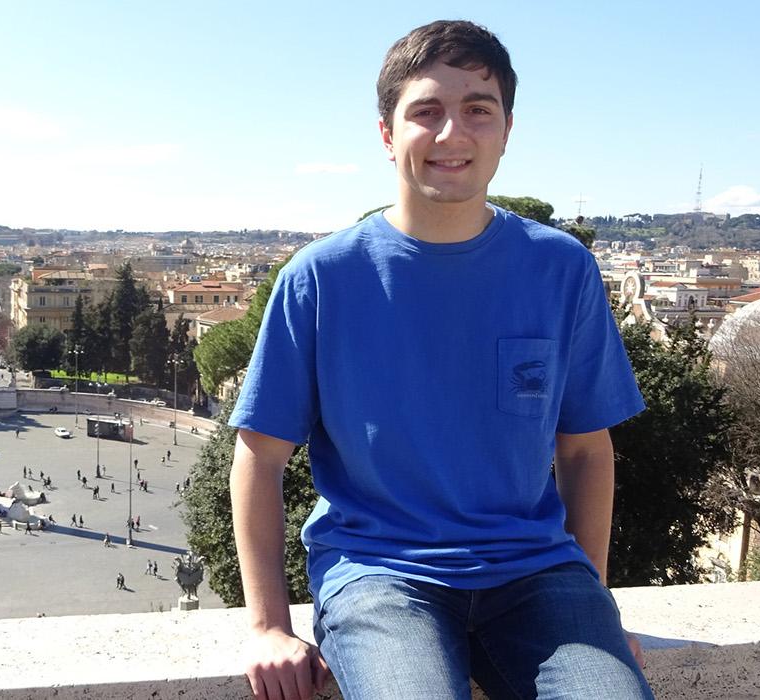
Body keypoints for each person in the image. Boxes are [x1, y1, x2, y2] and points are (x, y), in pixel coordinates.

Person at [229, 21, 650, 700]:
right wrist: (267, 626)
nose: (452, 133)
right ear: (388, 135)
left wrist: (594, 604)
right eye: (426, 111)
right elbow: (260, 456)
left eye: (477, 110)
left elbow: (585, 452)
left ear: (506, 130)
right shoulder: (320, 278)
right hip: (378, 576)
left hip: (537, 574)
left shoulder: (561, 268)